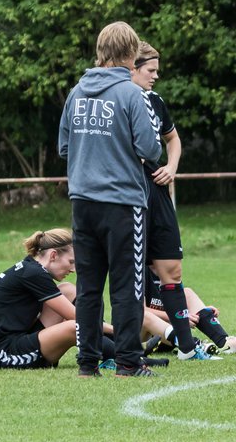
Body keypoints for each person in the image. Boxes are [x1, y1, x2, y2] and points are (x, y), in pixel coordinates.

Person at [58, 21, 161, 377]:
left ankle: (87, 363)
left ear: (101, 51)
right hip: (122, 204)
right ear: (132, 54)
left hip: (82, 202)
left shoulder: (76, 93)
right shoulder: (132, 94)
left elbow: (65, 146)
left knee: (88, 287)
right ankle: (129, 363)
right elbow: (150, 148)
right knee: (127, 286)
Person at [130, 40, 218, 361]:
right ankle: (122, 345)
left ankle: (187, 348)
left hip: (158, 192)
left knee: (172, 269)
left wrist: (171, 167)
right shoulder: (121, 100)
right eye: (150, 70)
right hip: (132, 192)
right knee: (133, 272)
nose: (155, 76)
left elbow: (173, 138)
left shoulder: (155, 100)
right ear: (132, 68)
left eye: (157, 70)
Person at [0, 229, 80, 370]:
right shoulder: (33, 273)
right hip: (3, 354)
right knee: (75, 327)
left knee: (67, 290)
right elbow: (78, 319)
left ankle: (115, 349)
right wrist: (114, 330)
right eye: (71, 262)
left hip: (20, 338)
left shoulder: (30, 268)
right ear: (53, 255)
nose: (73, 269)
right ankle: (117, 353)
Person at [143, 267, 236, 356]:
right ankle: (194, 345)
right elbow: (139, 310)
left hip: (167, 337)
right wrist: (179, 317)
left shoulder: (168, 268)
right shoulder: (139, 269)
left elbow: (172, 303)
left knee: (186, 293)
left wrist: (203, 313)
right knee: (143, 315)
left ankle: (225, 343)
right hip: (143, 339)